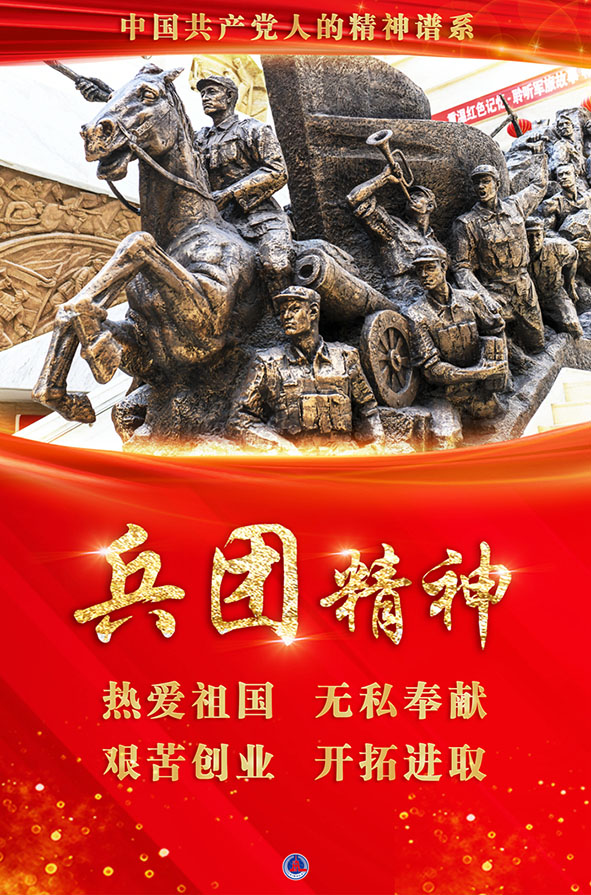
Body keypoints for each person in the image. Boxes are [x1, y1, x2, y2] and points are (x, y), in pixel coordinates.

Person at [228, 285, 385, 453]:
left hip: (342, 459)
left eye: (294, 309)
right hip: (293, 462)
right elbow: (239, 419)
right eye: (282, 311)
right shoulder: (267, 363)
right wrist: (282, 449)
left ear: (313, 312)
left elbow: (367, 410)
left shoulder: (346, 358)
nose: (286, 316)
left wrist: (374, 447)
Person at [194, 74, 293, 295]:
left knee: (275, 264)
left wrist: (229, 193)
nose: (205, 98)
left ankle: (287, 310)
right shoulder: (199, 139)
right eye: (203, 93)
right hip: (216, 219)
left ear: (229, 96)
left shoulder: (253, 130)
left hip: (259, 217)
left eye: (211, 92)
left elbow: (278, 171)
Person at [451, 149, 548, 357]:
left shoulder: (515, 206)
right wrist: (484, 298)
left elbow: (539, 186)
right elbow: (461, 268)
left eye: (486, 181)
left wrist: (539, 156)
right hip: (495, 292)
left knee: (537, 343)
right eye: (477, 183)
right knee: (498, 348)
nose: (481, 187)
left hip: (524, 287)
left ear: (497, 183)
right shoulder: (467, 223)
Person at [406, 246, 508, 422]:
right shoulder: (416, 314)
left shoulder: (471, 299)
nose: (423, 275)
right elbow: (432, 370)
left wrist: (499, 363)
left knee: (498, 418)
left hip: (481, 391)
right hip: (444, 396)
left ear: (443, 266)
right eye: (419, 270)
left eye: (430, 268)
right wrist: (478, 373)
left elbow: (496, 329)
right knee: (448, 434)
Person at [347, 162, 444, 304]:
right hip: (403, 299)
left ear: (429, 206)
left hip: (434, 301)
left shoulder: (438, 246)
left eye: (418, 195)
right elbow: (354, 199)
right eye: (410, 195)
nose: (411, 197)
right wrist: (384, 177)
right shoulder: (394, 227)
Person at [525, 217, 583, 338]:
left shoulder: (558, 248)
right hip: (529, 300)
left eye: (538, 235)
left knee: (573, 328)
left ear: (544, 235)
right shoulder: (518, 254)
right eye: (529, 236)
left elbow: (574, 256)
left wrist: (570, 286)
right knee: (534, 336)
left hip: (553, 295)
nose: (534, 240)